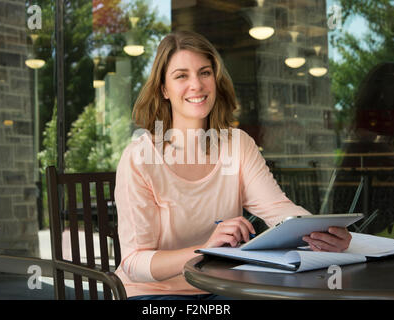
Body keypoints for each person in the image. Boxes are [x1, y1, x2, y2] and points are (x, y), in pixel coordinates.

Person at [114, 30, 352, 300]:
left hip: (224, 286)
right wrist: (205, 248)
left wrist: (322, 233)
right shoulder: (139, 157)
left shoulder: (237, 144)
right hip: (154, 295)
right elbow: (133, 263)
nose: (197, 85)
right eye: (181, 76)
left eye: (204, 73)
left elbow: (278, 209)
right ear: (163, 89)